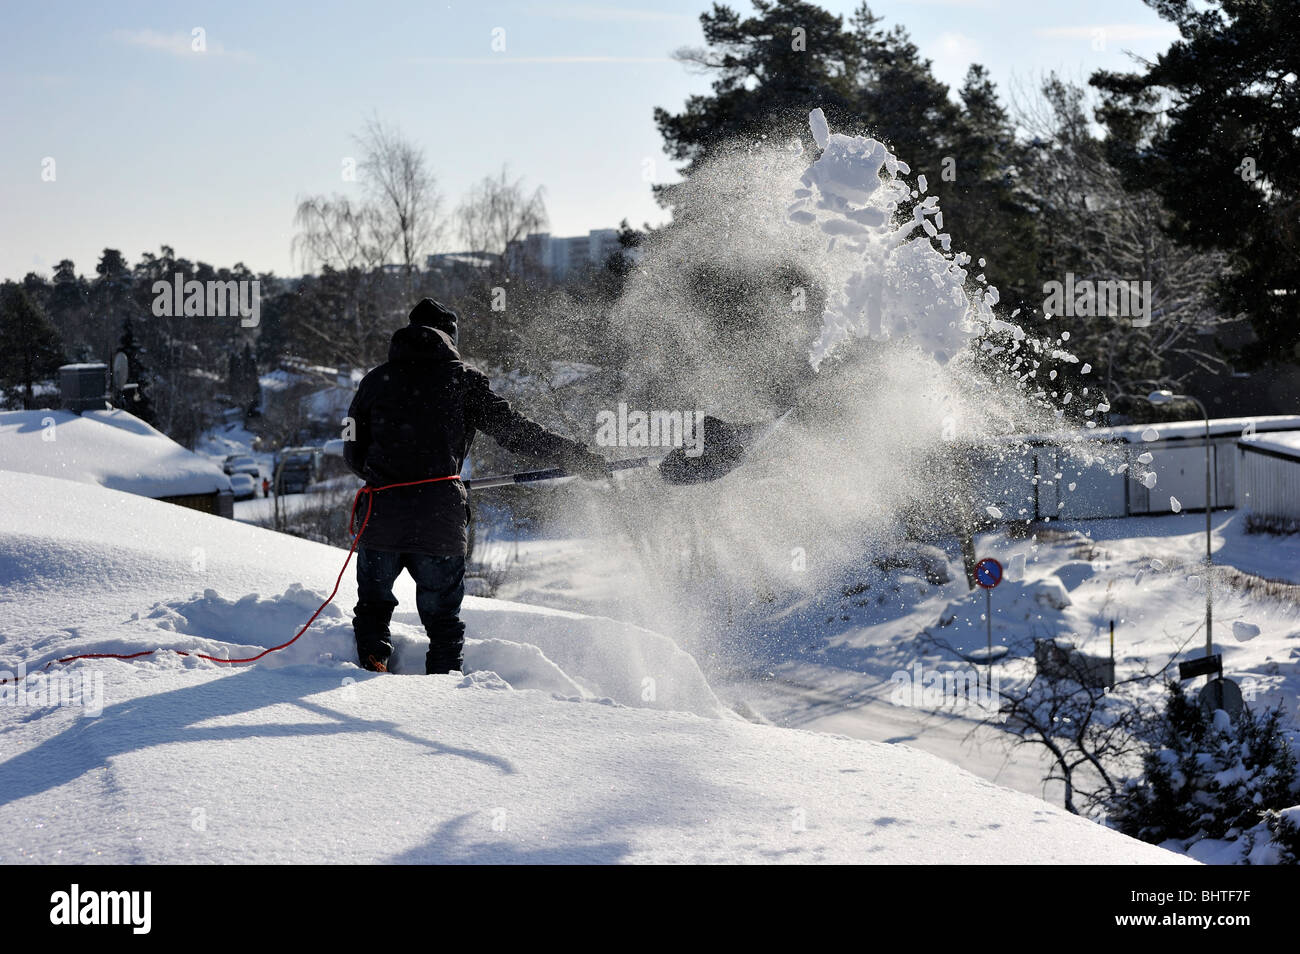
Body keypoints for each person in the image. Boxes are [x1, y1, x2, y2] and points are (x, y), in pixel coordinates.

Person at [343, 298, 610, 675]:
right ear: (451, 338)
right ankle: (444, 692)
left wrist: (391, 475)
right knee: (443, 623)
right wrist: (574, 456)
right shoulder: (463, 379)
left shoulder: (374, 381)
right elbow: (515, 431)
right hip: (439, 518)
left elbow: (352, 450)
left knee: (373, 608)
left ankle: (372, 670)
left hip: (382, 515)